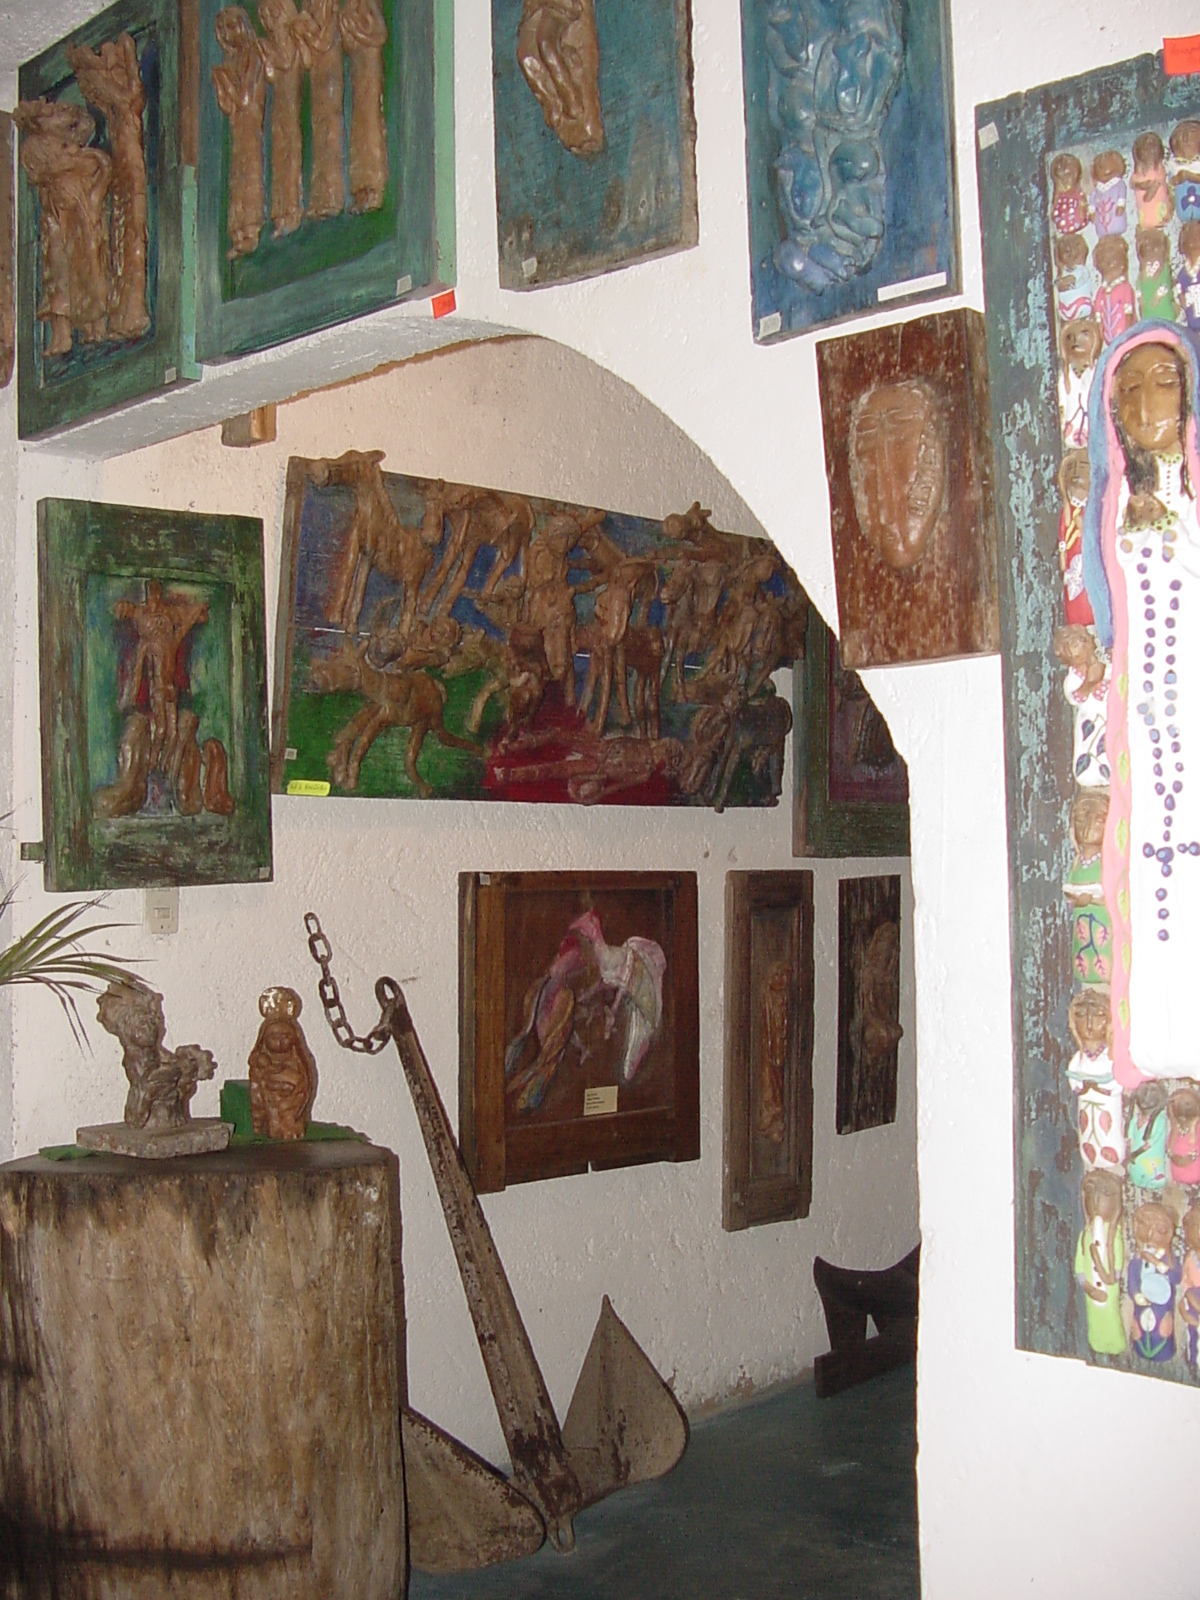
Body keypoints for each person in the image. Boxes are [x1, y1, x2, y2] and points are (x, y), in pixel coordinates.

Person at [1082, 324, 1200, 1085]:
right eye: (1131, 389)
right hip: (1145, 721)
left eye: (1164, 383)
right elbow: (1106, 613)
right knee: (1150, 865)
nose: (1148, 402)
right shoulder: (1113, 504)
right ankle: (1158, 1037)